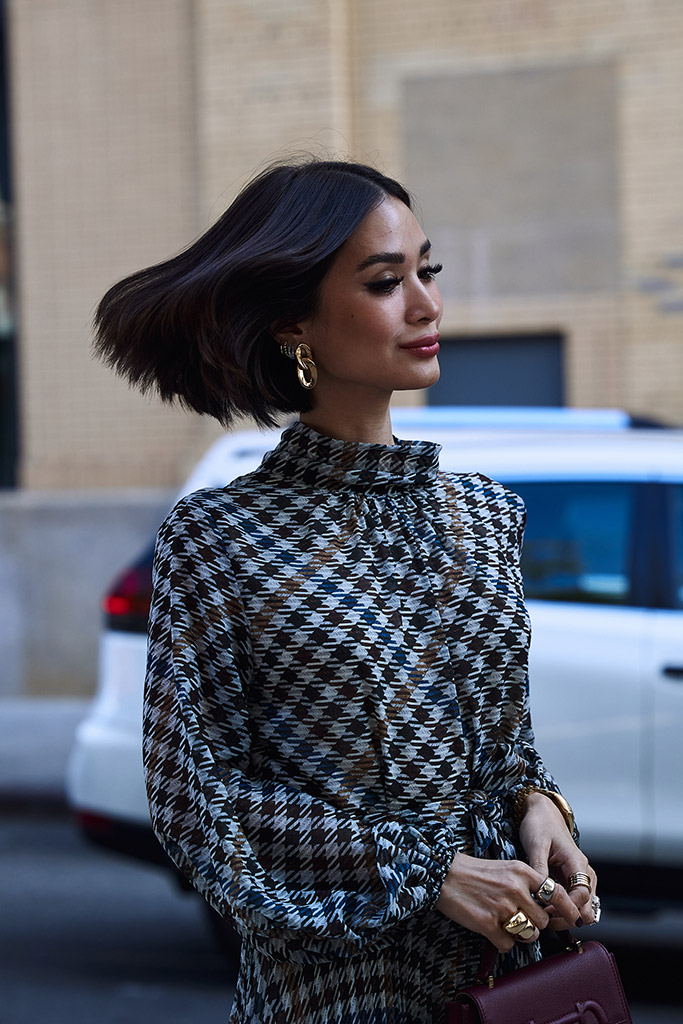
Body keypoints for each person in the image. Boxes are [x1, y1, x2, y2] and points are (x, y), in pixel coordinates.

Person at [94, 158, 598, 1024]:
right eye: (383, 282)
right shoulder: (222, 537)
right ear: (295, 319)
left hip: (505, 980)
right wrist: (426, 873)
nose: (426, 305)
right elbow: (195, 800)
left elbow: (504, 748)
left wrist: (539, 808)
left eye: (425, 272)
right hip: (331, 995)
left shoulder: (484, 516)